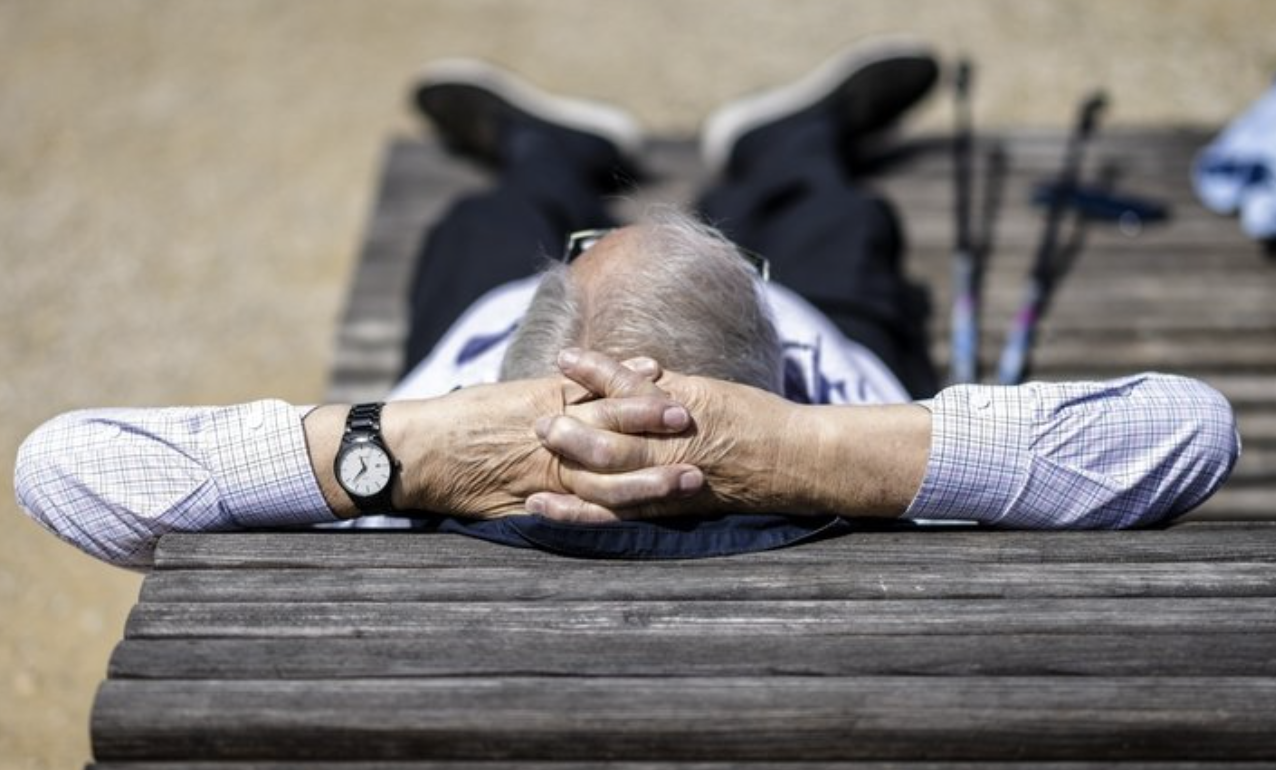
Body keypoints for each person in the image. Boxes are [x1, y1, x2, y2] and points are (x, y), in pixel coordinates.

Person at [15, 40, 1240, 570]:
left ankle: (548, 153)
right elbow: (1191, 431)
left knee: (483, 224)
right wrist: (813, 453)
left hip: (494, 369)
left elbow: (63, 467)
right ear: (784, 376)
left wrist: (422, 447)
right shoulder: (807, 436)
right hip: (817, 343)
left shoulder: (452, 460)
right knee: (840, 222)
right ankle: (787, 145)